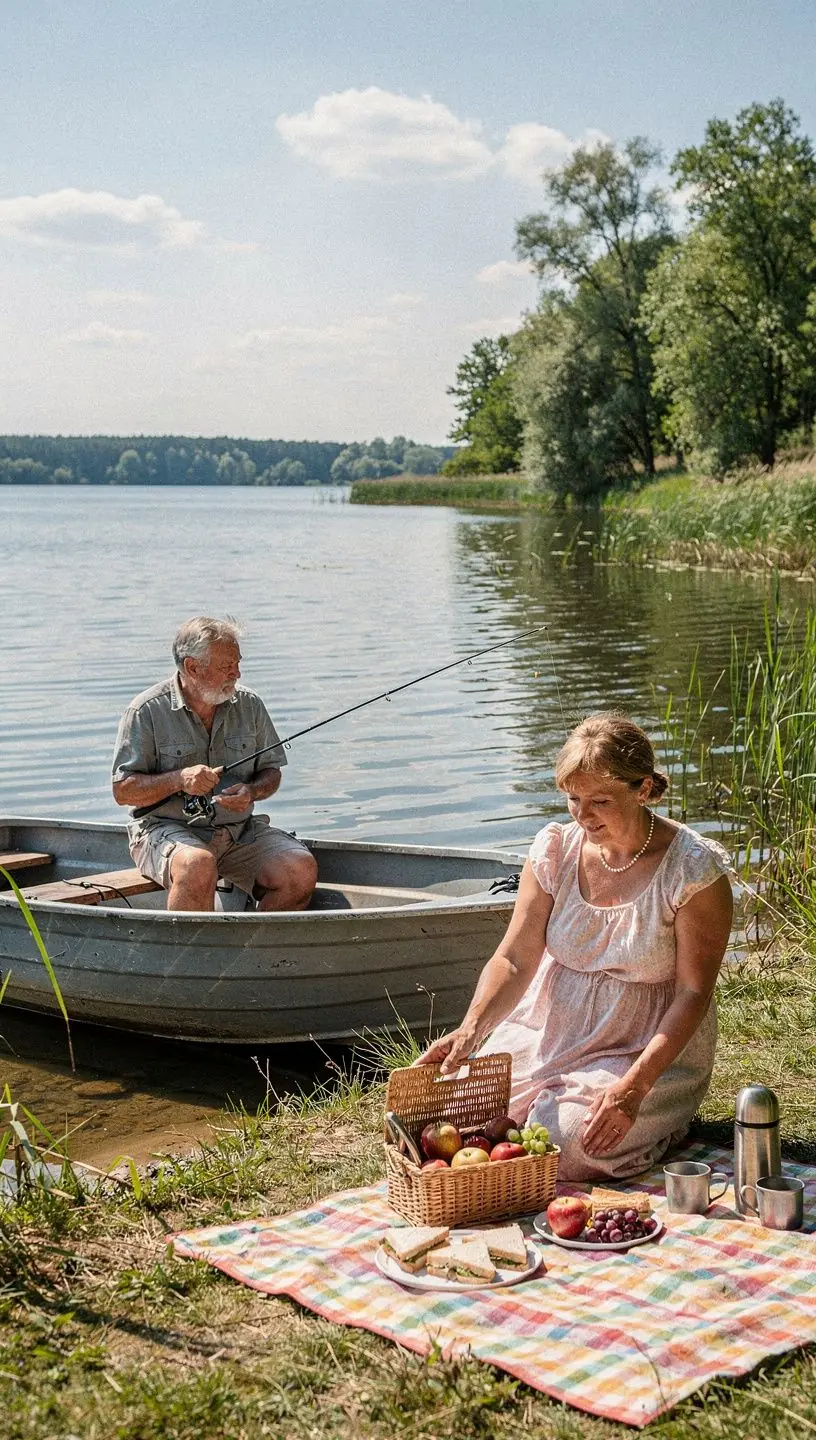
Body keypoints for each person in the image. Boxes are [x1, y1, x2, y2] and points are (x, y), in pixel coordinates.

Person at [416, 714, 734, 1181]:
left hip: (641, 1043)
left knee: (568, 1143)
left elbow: (693, 992)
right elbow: (514, 957)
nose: (583, 816)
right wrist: (471, 1029)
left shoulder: (693, 871)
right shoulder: (556, 850)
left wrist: (634, 1088)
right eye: (573, 800)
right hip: (550, 1024)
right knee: (462, 1116)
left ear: (643, 789)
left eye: (600, 801)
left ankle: (664, 1123)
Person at [111, 617, 317, 912]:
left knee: (300, 869)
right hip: (163, 830)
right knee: (198, 864)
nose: (237, 673)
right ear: (193, 667)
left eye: (237, 663)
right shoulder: (146, 711)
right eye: (226, 667)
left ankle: (253, 955)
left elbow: (271, 772)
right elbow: (123, 791)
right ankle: (190, 956)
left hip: (237, 832)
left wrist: (252, 791)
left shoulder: (250, 705)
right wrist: (179, 779)